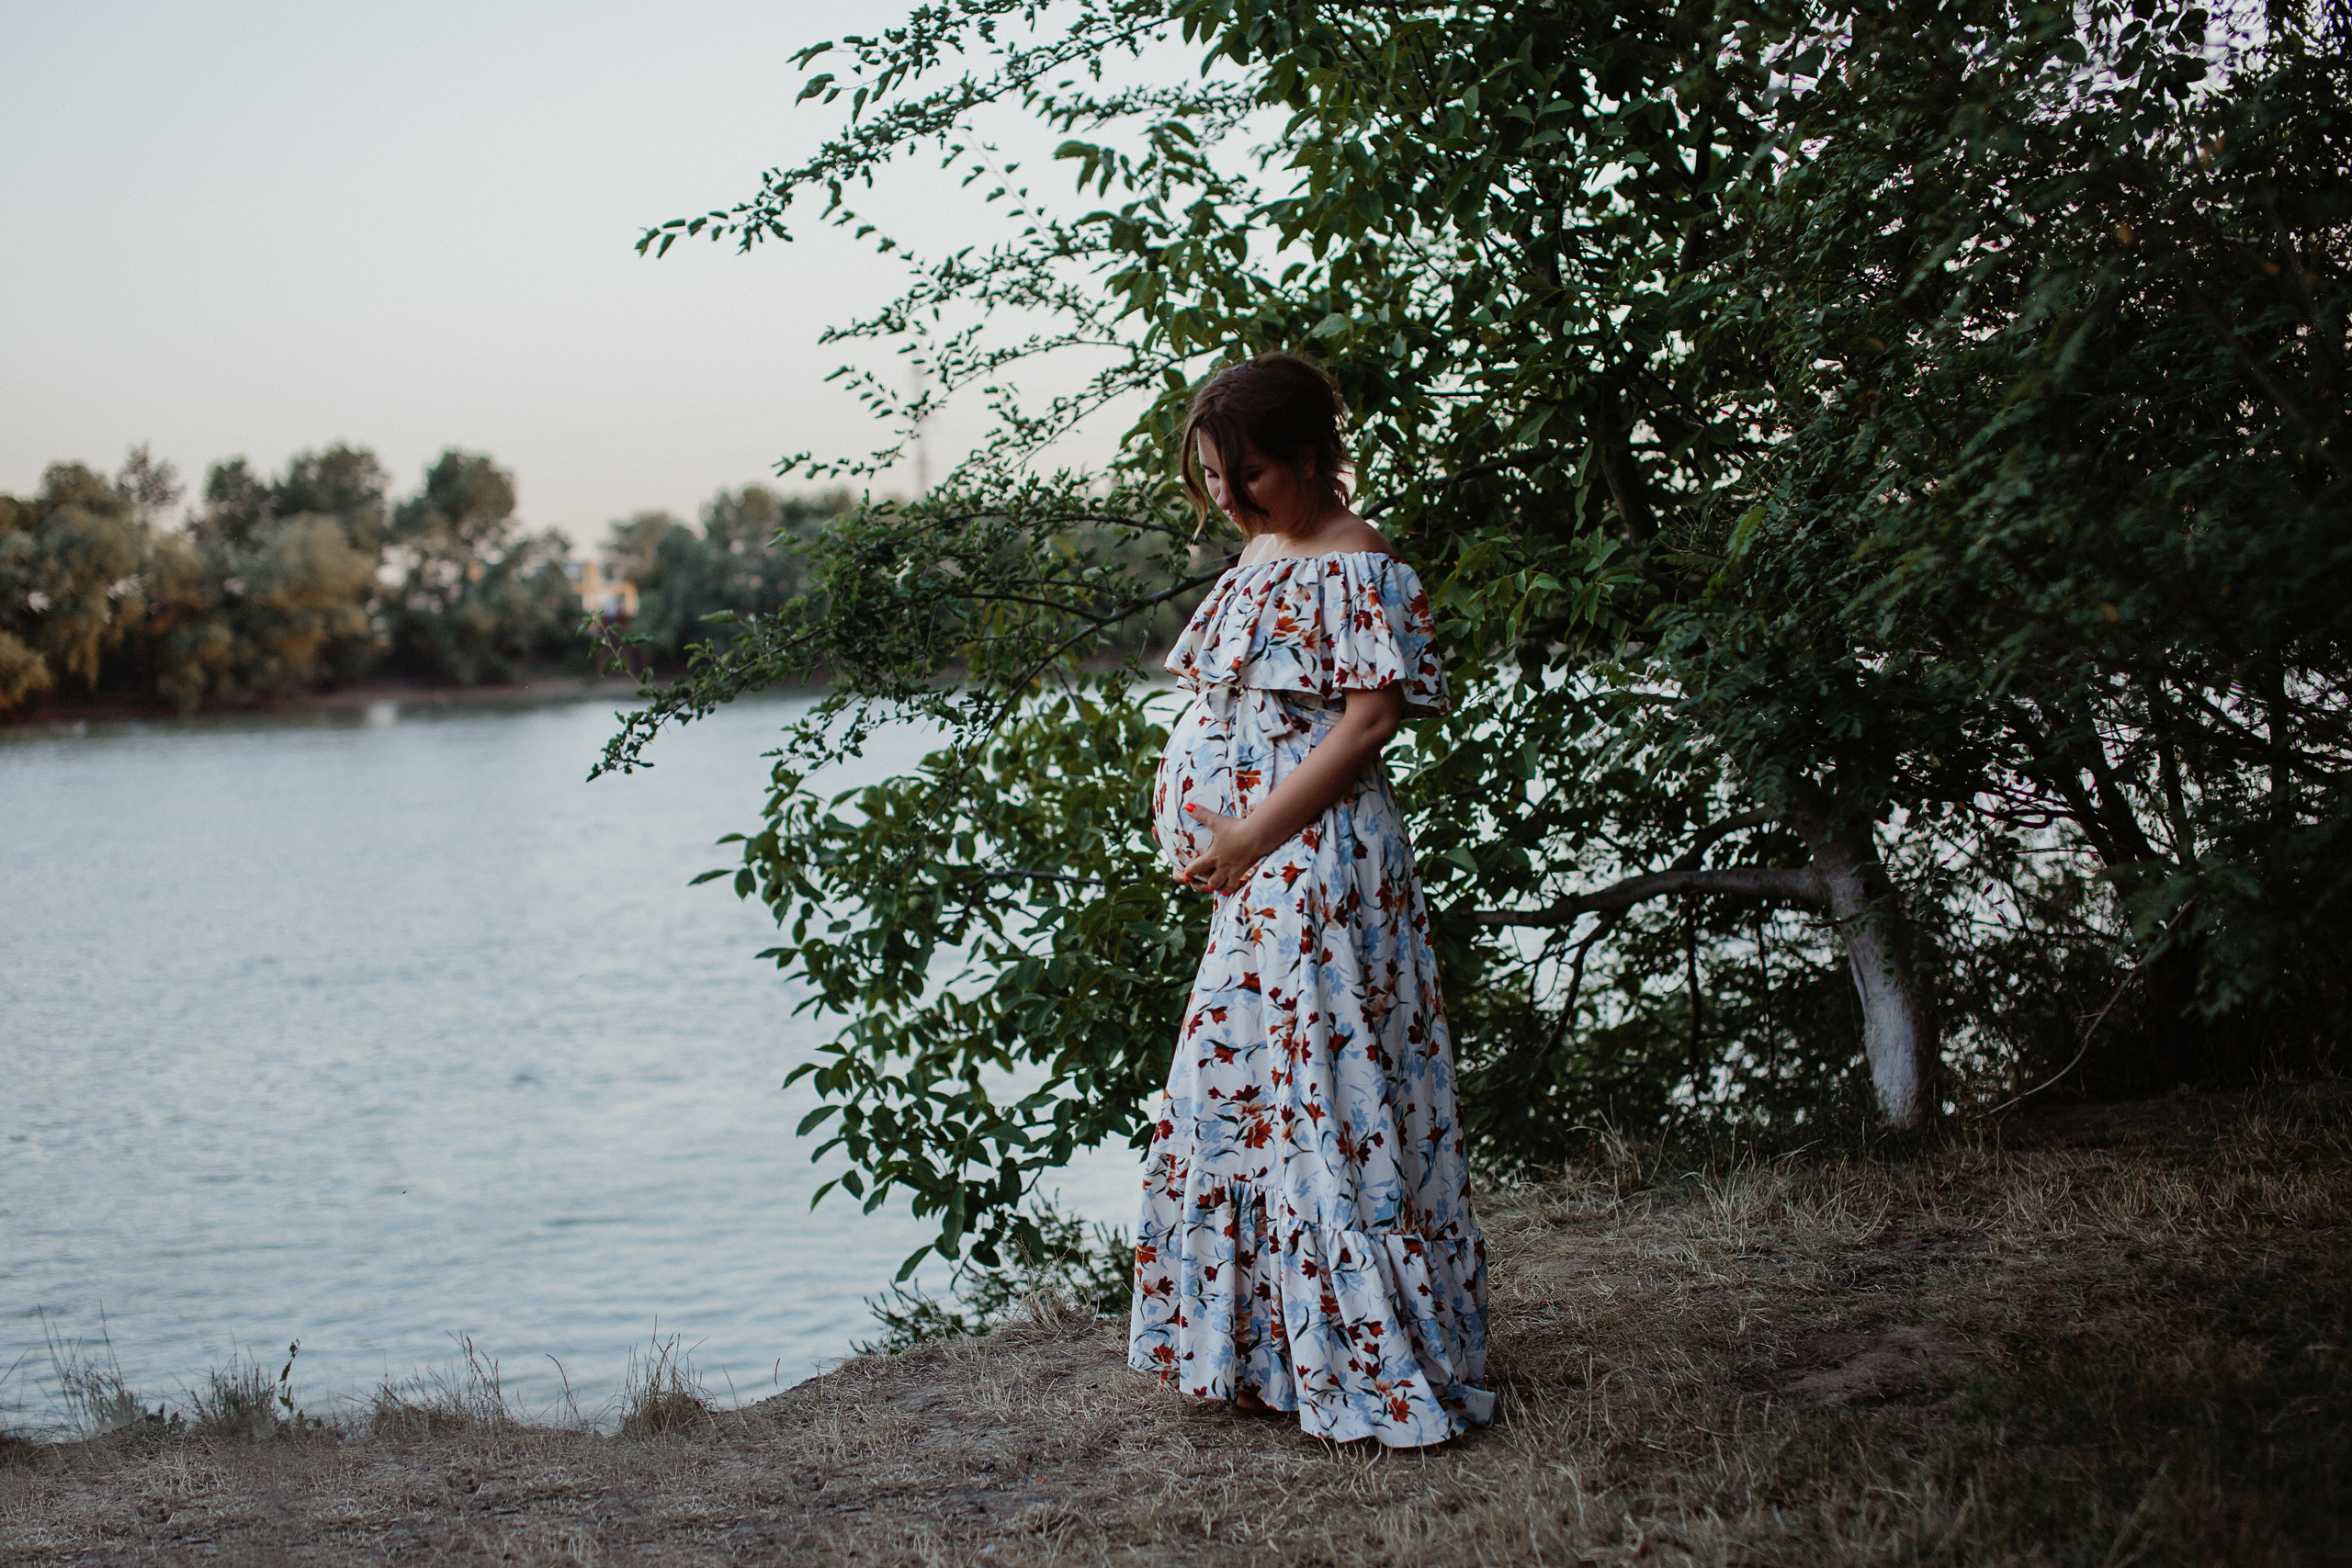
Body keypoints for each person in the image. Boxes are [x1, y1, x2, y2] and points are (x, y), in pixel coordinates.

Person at [1126, 351, 1493, 1447]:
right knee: (1247, 1102)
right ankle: (1276, 1358)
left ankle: (1371, 1362)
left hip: (1320, 871)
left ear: (1313, 458)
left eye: (1250, 476)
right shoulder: (1263, 551)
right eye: (1214, 476)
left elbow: (1368, 723)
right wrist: (1219, 837)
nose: (1232, 498)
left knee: (1326, 1107)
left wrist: (1249, 830)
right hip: (1260, 879)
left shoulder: (1361, 563)